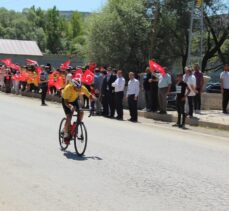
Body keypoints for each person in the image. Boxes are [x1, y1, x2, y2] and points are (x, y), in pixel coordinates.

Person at [61, 78, 95, 143]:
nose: (79, 89)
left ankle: (76, 125)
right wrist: (70, 106)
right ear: (73, 86)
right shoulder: (68, 88)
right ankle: (65, 132)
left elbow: (89, 95)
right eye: (77, 88)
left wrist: (93, 104)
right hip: (66, 101)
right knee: (69, 117)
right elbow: (65, 102)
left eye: (80, 87)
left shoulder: (81, 87)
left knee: (81, 112)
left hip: (74, 100)